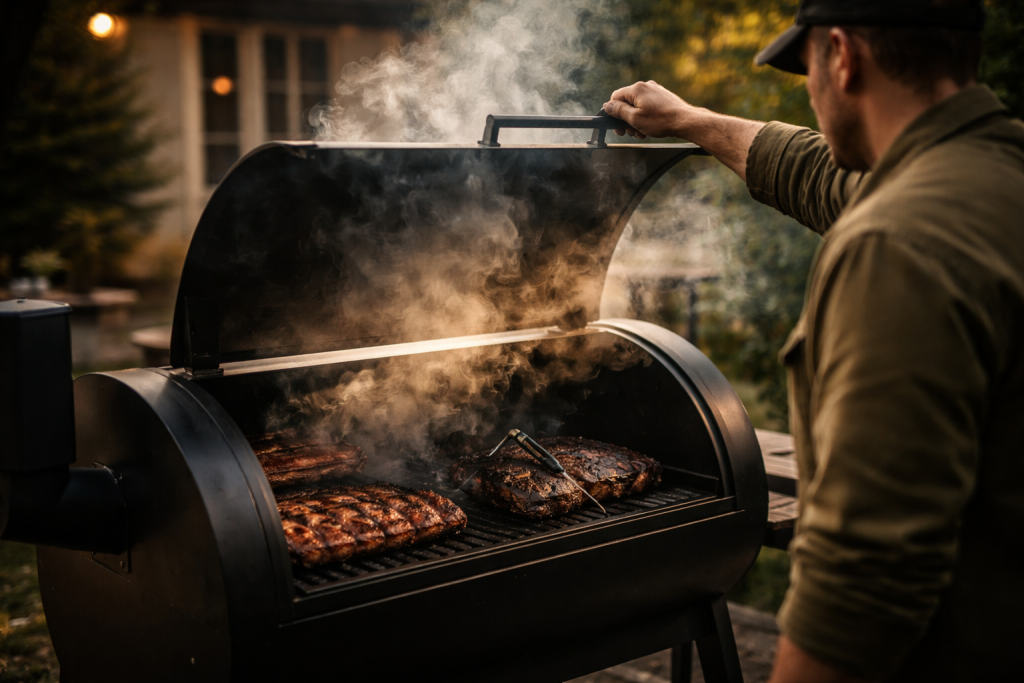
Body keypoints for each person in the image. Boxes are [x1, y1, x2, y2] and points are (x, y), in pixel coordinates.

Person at [603, 1, 1024, 681]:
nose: (811, 89)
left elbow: (864, 585)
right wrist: (691, 121)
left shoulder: (898, 244)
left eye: (806, 67)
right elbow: (827, 177)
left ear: (843, 56)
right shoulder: (991, 176)